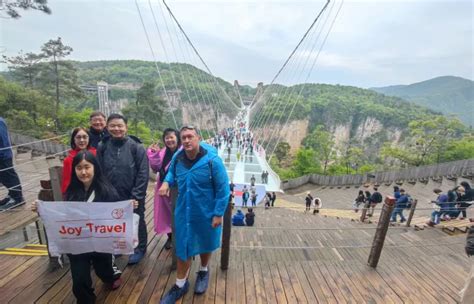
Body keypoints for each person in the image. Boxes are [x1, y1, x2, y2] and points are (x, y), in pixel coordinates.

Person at [33, 151, 123, 303]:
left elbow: (116, 214)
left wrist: (127, 207)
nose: (83, 172)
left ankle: (111, 275)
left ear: (95, 168)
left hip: (100, 242)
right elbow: (63, 216)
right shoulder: (71, 191)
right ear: (74, 170)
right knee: (79, 281)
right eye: (79, 168)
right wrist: (41, 209)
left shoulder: (107, 191)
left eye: (87, 167)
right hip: (78, 243)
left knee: (104, 270)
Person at [158, 126, 230, 303]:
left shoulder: (213, 161)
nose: (187, 140)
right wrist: (167, 182)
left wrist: (218, 213)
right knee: (183, 245)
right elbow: (172, 173)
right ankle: (181, 284)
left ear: (198, 138)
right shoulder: (178, 158)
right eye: (184, 138)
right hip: (184, 211)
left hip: (206, 211)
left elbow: (223, 189)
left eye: (190, 136)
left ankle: (203, 271)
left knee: (205, 242)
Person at [97, 114, 149, 265]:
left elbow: (143, 173)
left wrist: (136, 195)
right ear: (107, 127)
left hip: (132, 194)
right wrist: (104, 191)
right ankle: (119, 247)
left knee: (137, 220)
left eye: (120, 126)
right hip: (110, 193)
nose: (116, 129)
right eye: (113, 126)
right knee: (115, 221)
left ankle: (140, 248)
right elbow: (99, 170)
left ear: (126, 128)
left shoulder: (136, 147)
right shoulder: (103, 146)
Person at [147, 128, 181, 250]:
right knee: (166, 213)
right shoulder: (162, 152)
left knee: (179, 213)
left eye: (172, 137)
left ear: (177, 137)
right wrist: (154, 154)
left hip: (179, 188)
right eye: (167, 138)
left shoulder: (183, 151)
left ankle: (180, 237)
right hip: (163, 187)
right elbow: (156, 168)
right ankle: (170, 237)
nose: (169, 140)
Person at [61, 127, 96, 195]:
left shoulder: (96, 154)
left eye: (84, 137)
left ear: (89, 138)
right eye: (78, 137)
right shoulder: (68, 160)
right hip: (77, 194)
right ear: (74, 139)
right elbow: (67, 181)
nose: (82, 140)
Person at [0, 117, 24, 209]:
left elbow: (3, 140)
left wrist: (2, 154)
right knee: (4, 177)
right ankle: (11, 195)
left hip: (3, 155)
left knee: (9, 176)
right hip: (3, 154)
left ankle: (17, 198)